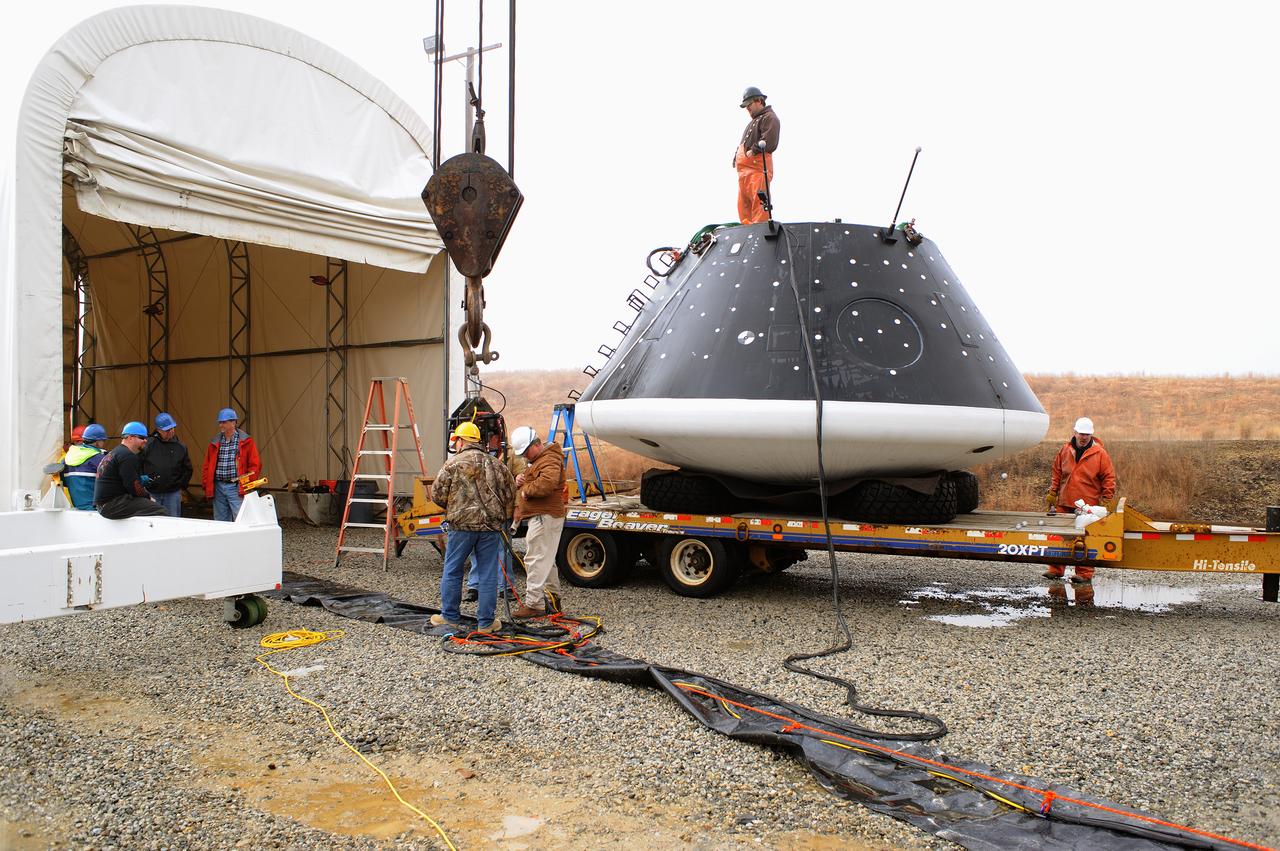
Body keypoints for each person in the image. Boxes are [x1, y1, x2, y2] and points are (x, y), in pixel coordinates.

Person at [429, 422, 516, 633]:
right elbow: (510, 492)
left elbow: (437, 495)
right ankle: (486, 623)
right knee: (488, 573)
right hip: (490, 528)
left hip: (461, 527)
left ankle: (449, 617)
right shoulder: (497, 464)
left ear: (460, 441)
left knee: (453, 570)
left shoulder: (452, 464)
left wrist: (455, 507)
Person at [1043, 417, 1117, 584]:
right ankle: (1055, 570)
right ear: (1074, 432)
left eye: (1087, 434)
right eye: (1081, 433)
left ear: (1091, 435)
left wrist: (1107, 498)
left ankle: (1084, 573)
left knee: (1084, 539)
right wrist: (1053, 492)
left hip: (1087, 504)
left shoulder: (1100, 454)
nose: (1083, 437)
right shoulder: (1065, 450)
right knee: (1060, 537)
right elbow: (1057, 473)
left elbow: (1109, 477)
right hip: (1064, 500)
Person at [507, 426, 567, 620]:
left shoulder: (549, 459)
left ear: (536, 444)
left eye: (526, 452)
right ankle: (553, 599)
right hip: (543, 516)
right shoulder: (539, 460)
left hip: (544, 516)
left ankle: (535, 604)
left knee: (534, 559)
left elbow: (546, 484)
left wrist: (525, 489)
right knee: (546, 560)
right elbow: (537, 479)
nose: (524, 456)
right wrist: (520, 479)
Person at [464, 433, 526, 603]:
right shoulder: (474, 454)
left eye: (493, 436)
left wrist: (517, 507)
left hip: (501, 512)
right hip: (478, 512)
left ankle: (505, 587)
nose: (490, 440)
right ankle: (474, 586)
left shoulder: (511, 455)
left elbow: (521, 481)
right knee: (475, 551)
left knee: (503, 550)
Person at [94, 422, 168, 519]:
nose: (145, 441)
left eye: (146, 438)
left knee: (146, 506)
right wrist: (148, 498)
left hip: (104, 505)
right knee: (161, 511)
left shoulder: (116, 452)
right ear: (130, 437)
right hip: (112, 505)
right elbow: (134, 486)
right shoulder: (127, 456)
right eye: (142, 437)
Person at [201, 408, 262, 522]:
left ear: (233, 422)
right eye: (220, 422)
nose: (220, 425)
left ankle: (243, 540)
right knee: (220, 522)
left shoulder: (246, 442)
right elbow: (207, 466)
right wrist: (207, 484)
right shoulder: (214, 442)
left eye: (224, 422)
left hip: (236, 487)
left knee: (242, 520)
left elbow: (255, 465)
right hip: (218, 487)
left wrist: (245, 483)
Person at [734, 86, 780, 225]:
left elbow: (770, 142)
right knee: (743, 207)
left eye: (749, 105)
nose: (747, 109)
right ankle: (747, 233)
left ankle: (758, 233)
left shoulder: (770, 118)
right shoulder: (753, 122)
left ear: (759, 101)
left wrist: (753, 151)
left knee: (759, 205)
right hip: (744, 174)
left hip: (757, 170)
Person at [143, 412, 193, 517]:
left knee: (173, 523)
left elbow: (187, 468)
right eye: (167, 430)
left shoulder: (181, 447)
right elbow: (138, 464)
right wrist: (145, 483)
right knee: (152, 523)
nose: (170, 431)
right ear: (158, 430)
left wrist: (180, 485)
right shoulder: (148, 445)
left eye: (172, 428)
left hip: (173, 494)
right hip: (152, 492)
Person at [63, 423, 108, 510]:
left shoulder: (66, 459)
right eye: (103, 441)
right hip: (96, 510)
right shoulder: (101, 459)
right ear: (98, 443)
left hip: (77, 509)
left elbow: (64, 482)